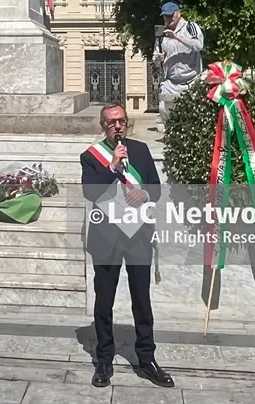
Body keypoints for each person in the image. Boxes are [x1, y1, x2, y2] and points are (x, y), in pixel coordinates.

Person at [80, 103, 173, 389]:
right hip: (107, 237)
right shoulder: (91, 157)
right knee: (104, 301)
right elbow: (91, 191)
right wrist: (112, 166)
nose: (117, 126)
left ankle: (147, 359)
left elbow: (156, 187)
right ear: (103, 126)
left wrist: (144, 193)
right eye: (111, 122)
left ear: (127, 123)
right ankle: (104, 359)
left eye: (121, 121)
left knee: (141, 301)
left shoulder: (141, 151)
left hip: (137, 237)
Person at [152, 2, 204, 125]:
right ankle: (171, 135)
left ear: (178, 14)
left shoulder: (190, 27)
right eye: (165, 16)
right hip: (171, 82)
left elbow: (199, 45)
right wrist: (157, 59)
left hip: (192, 81)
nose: (168, 19)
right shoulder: (161, 35)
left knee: (193, 118)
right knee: (164, 109)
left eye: (170, 15)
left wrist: (176, 37)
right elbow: (156, 61)